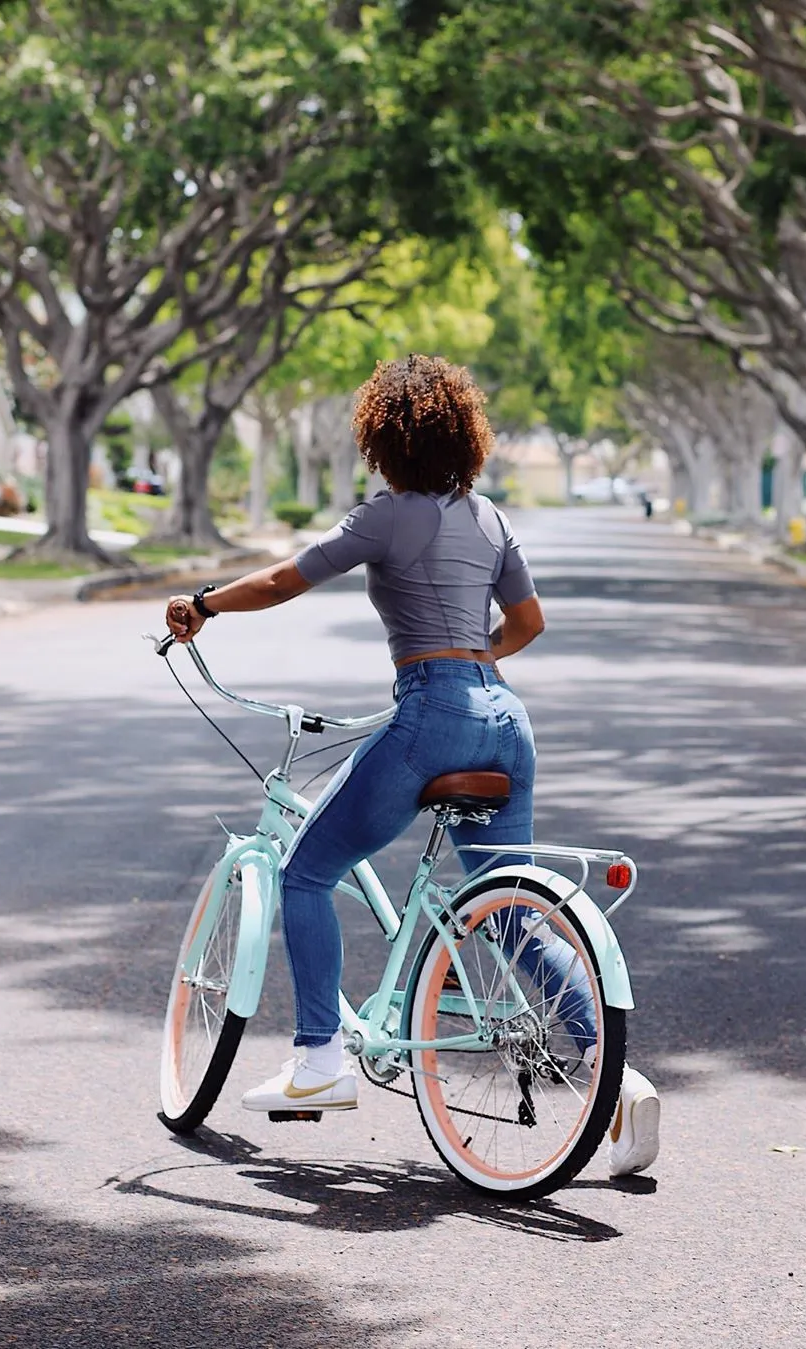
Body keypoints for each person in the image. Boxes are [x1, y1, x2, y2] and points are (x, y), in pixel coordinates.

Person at [165, 354, 660, 1178]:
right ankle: (617, 1077)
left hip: (431, 713)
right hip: (505, 720)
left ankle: (319, 1058)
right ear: (462, 436)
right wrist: (474, 662)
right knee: (510, 916)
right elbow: (529, 621)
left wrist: (204, 604)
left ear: (383, 441)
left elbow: (289, 578)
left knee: (306, 871)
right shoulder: (492, 517)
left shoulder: (388, 516)